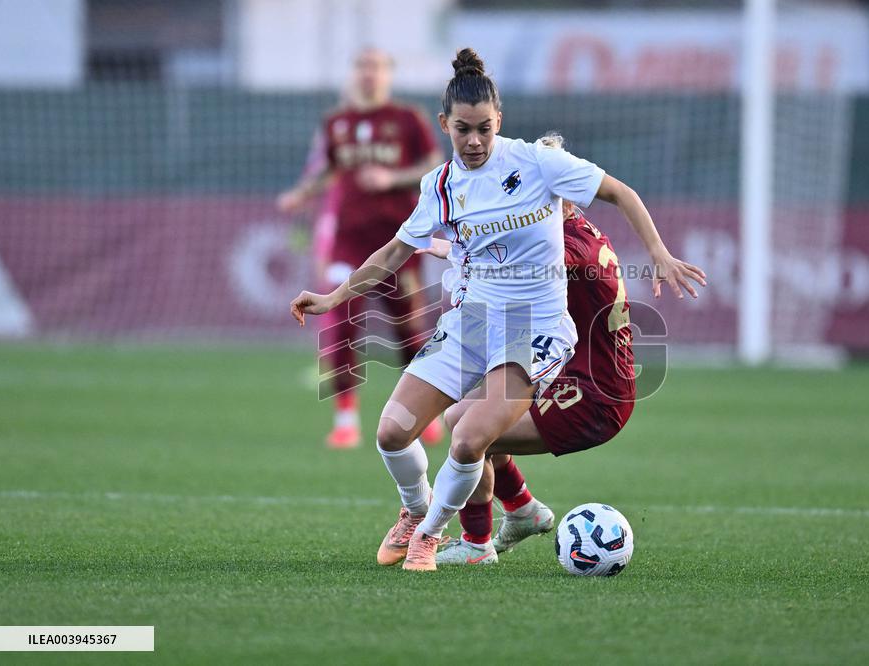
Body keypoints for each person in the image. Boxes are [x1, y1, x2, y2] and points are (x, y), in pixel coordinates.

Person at [290, 48, 706, 572]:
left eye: (485, 128)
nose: (475, 141)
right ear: (445, 125)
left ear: (499, 121)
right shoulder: (439, 185)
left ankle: (429, 535)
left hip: (533, 330)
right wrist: (333, 298)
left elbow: (619, 191)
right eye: (463, 129)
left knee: (467, 438)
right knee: (392, 431)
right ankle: (418, 511)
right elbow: (398, 250)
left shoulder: (537, 163)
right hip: (470, 324)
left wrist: (659, 253)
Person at [414, 169, 637, 565]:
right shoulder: (577, 230)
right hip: (573, 377)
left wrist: (452, 249)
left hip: (594, 397)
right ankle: (521, 510)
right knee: (462, 414)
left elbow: (520, 267)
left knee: (470, 434)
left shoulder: (568, 247)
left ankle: (477, 545)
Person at [277, 47, 444, 449]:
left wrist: (391, 179)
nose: (369, 74)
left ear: (388, 75)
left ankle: (426, 412)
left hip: (397, 243)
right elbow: (330, 170)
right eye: (362, 67)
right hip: (348, 243)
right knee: (341, 322)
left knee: (409, 332)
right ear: (354, 74)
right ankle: (346, 418)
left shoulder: (408, 120)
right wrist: (302, 193)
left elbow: (434, 164)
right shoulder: (337, 123)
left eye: (377, 67)